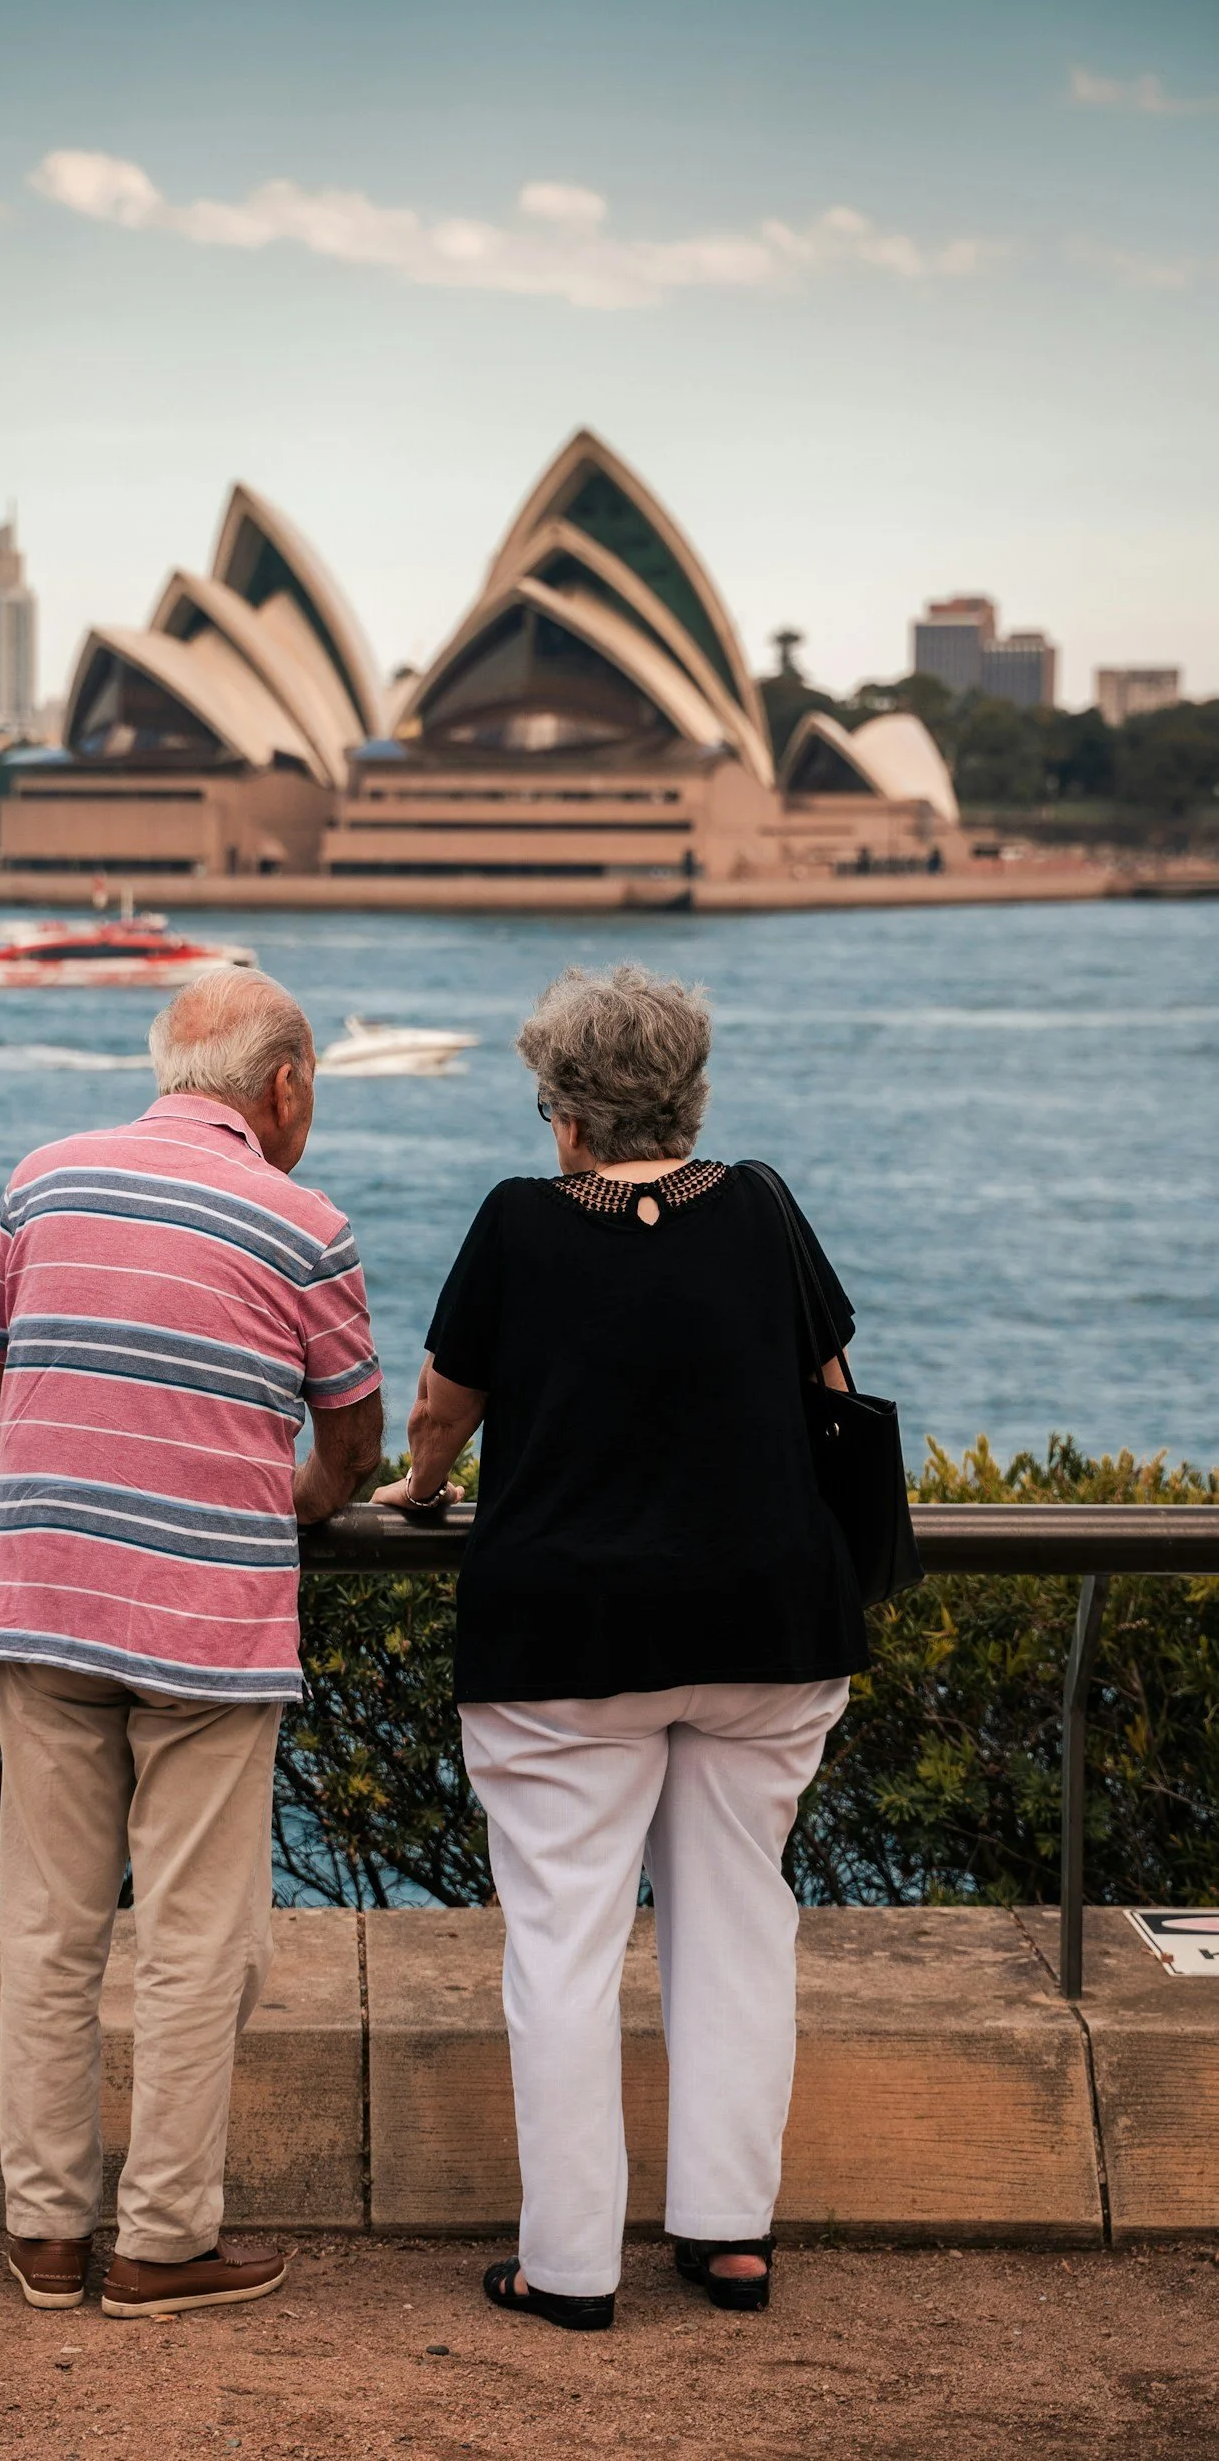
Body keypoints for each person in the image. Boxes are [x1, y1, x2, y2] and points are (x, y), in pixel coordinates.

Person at [373, 964, 865, 2333]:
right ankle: (726, 2234)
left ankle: (571, 2264)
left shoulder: (521, 1227)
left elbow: (438, 1408)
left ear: (567, 1117)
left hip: (566, 1639)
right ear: (687, 1098)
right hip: (766, 1623)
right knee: (737, 1926)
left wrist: (418, 1494)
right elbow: (833, 1396)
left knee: (563, 1944)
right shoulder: (759, 1206)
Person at [0, 968, 382, 2320]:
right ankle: (163, 2243)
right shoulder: (305, 1225)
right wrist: (275, 1507)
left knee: (51, 1929)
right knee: (197, 1940)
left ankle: (45, 2234)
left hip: (43, 1598)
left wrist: (65, 1490)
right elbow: (352, 1448)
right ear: (285, 1084)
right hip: (208, 1623)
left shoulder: (45, 1177)